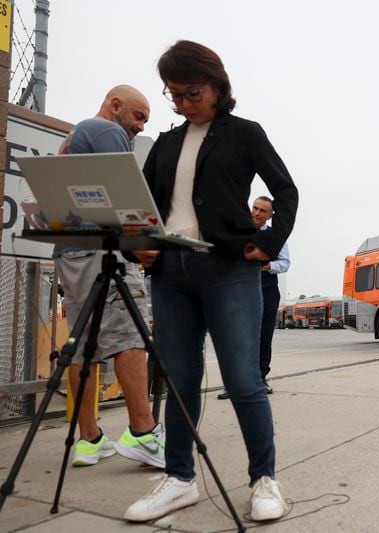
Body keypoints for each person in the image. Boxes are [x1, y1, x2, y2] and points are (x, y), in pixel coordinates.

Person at [124, 41, 299, 523]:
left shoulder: (245, 134)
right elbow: (138, 203)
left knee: (243, 378)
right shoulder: (165, 143)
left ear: (218, 86)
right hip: (170, 272)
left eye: (191, 92)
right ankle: (179, 479)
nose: (182, 103)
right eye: (174, 95)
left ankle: (265, 478)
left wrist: (268, 243)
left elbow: (285, 190)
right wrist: (135, 242)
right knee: (180, 381)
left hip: (228, 269)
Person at [54, 85, 165, 469]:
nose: (138, 127)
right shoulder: (106, 130)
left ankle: (89, 440)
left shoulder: (74, 138)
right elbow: (123, 195)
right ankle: (143, 432)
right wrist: (146, 246)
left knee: (82, 345)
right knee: (130, 338)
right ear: (115, 106)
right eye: (138, 117)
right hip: (106, 251)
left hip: (72, 251)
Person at [218, 196, 290, 400]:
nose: (257, 213)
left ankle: (260, 378)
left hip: (267, 289)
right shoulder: (239, 231)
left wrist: (269, 266)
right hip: (239, 289)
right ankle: (232, 382)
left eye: (262, 211)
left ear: (269, 216)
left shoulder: (276, 236)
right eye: (255, 208)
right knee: (237, 336)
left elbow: (285, 263)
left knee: (264, 336)